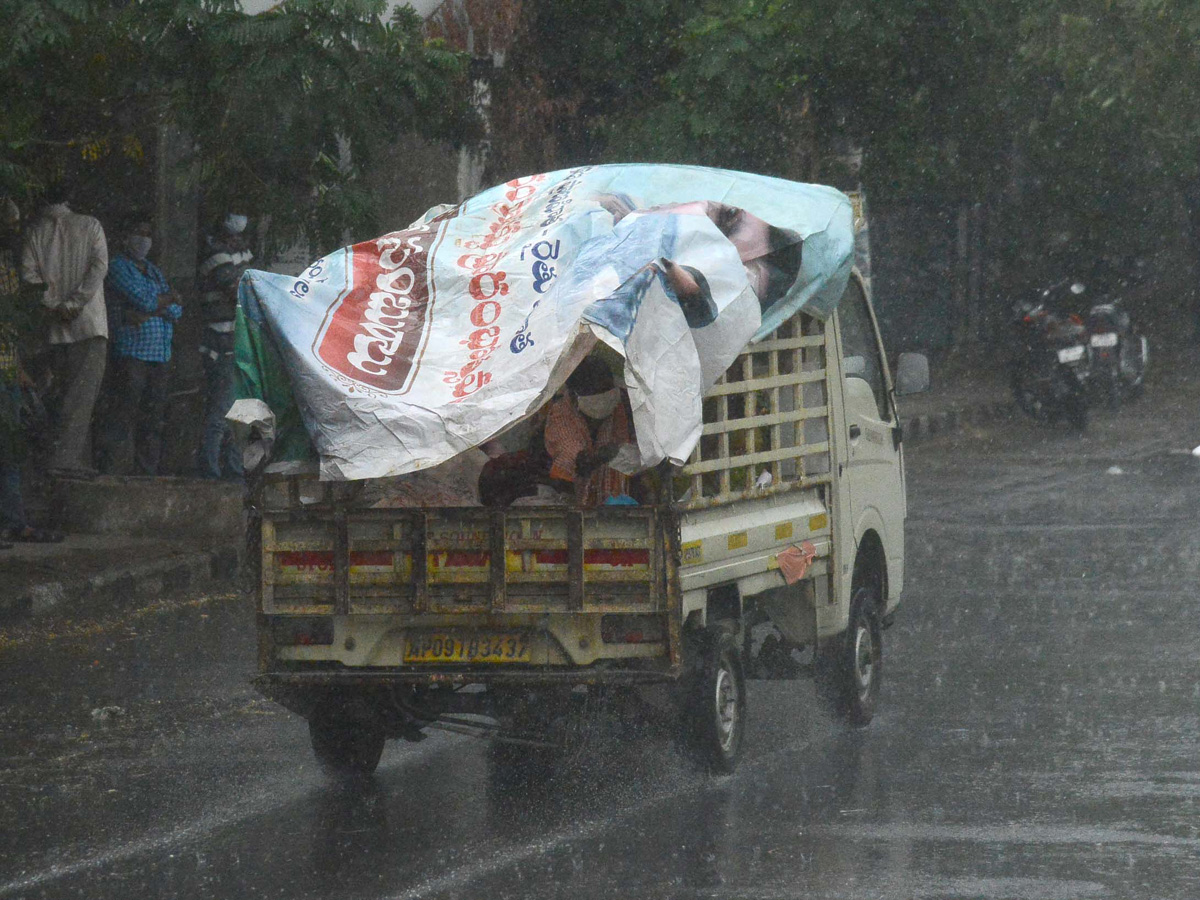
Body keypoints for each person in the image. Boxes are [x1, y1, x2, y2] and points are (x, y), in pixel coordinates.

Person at [20, 183, 108, 477]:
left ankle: (62, 461)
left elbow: (29, 276)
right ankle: (65, 463)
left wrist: (54, 305)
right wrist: (75, 302)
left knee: (57, 395)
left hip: (52, 327)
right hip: (88, 324)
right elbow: (99, 267)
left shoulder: (35, 232)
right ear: (70, 199)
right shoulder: (90, 225)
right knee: (81, 399)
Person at [0, 198, 62, 544]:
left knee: (10, 451)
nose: (13, 231)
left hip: (8, 371)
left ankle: (14, 520)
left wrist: (19, 367)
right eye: (8, 224)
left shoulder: (9, 265)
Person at [100, 219, 182, 475]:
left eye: (148, 234)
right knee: (124, 413)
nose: (144, 240)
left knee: (153, 418)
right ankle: (112, 472)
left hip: (160, 354)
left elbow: (177, 310)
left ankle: (145, 474)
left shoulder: (153, 270)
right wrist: (165, 301)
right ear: (126, 236)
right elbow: (145, 300)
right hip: (132, 353)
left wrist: (155, 306)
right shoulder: (117, 267)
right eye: (139, 233)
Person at [197, 212, 251, 479]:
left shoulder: (238, 254)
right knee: (221, 412)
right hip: (220, 343)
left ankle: (231, 469)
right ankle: (210, 470)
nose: (236, 241)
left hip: (235, 342)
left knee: (236, 413)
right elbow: (238, 289)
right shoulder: (216, 256)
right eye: (232, 236)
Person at [543, 355, 636, 506]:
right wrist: (602, 456)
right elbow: (578, 461)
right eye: (595, 393)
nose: (601, 399)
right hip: (566, 496)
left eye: (605, 390)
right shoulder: (561, 413)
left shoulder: (621, 405)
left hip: (613, 501)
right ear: (575, 395)